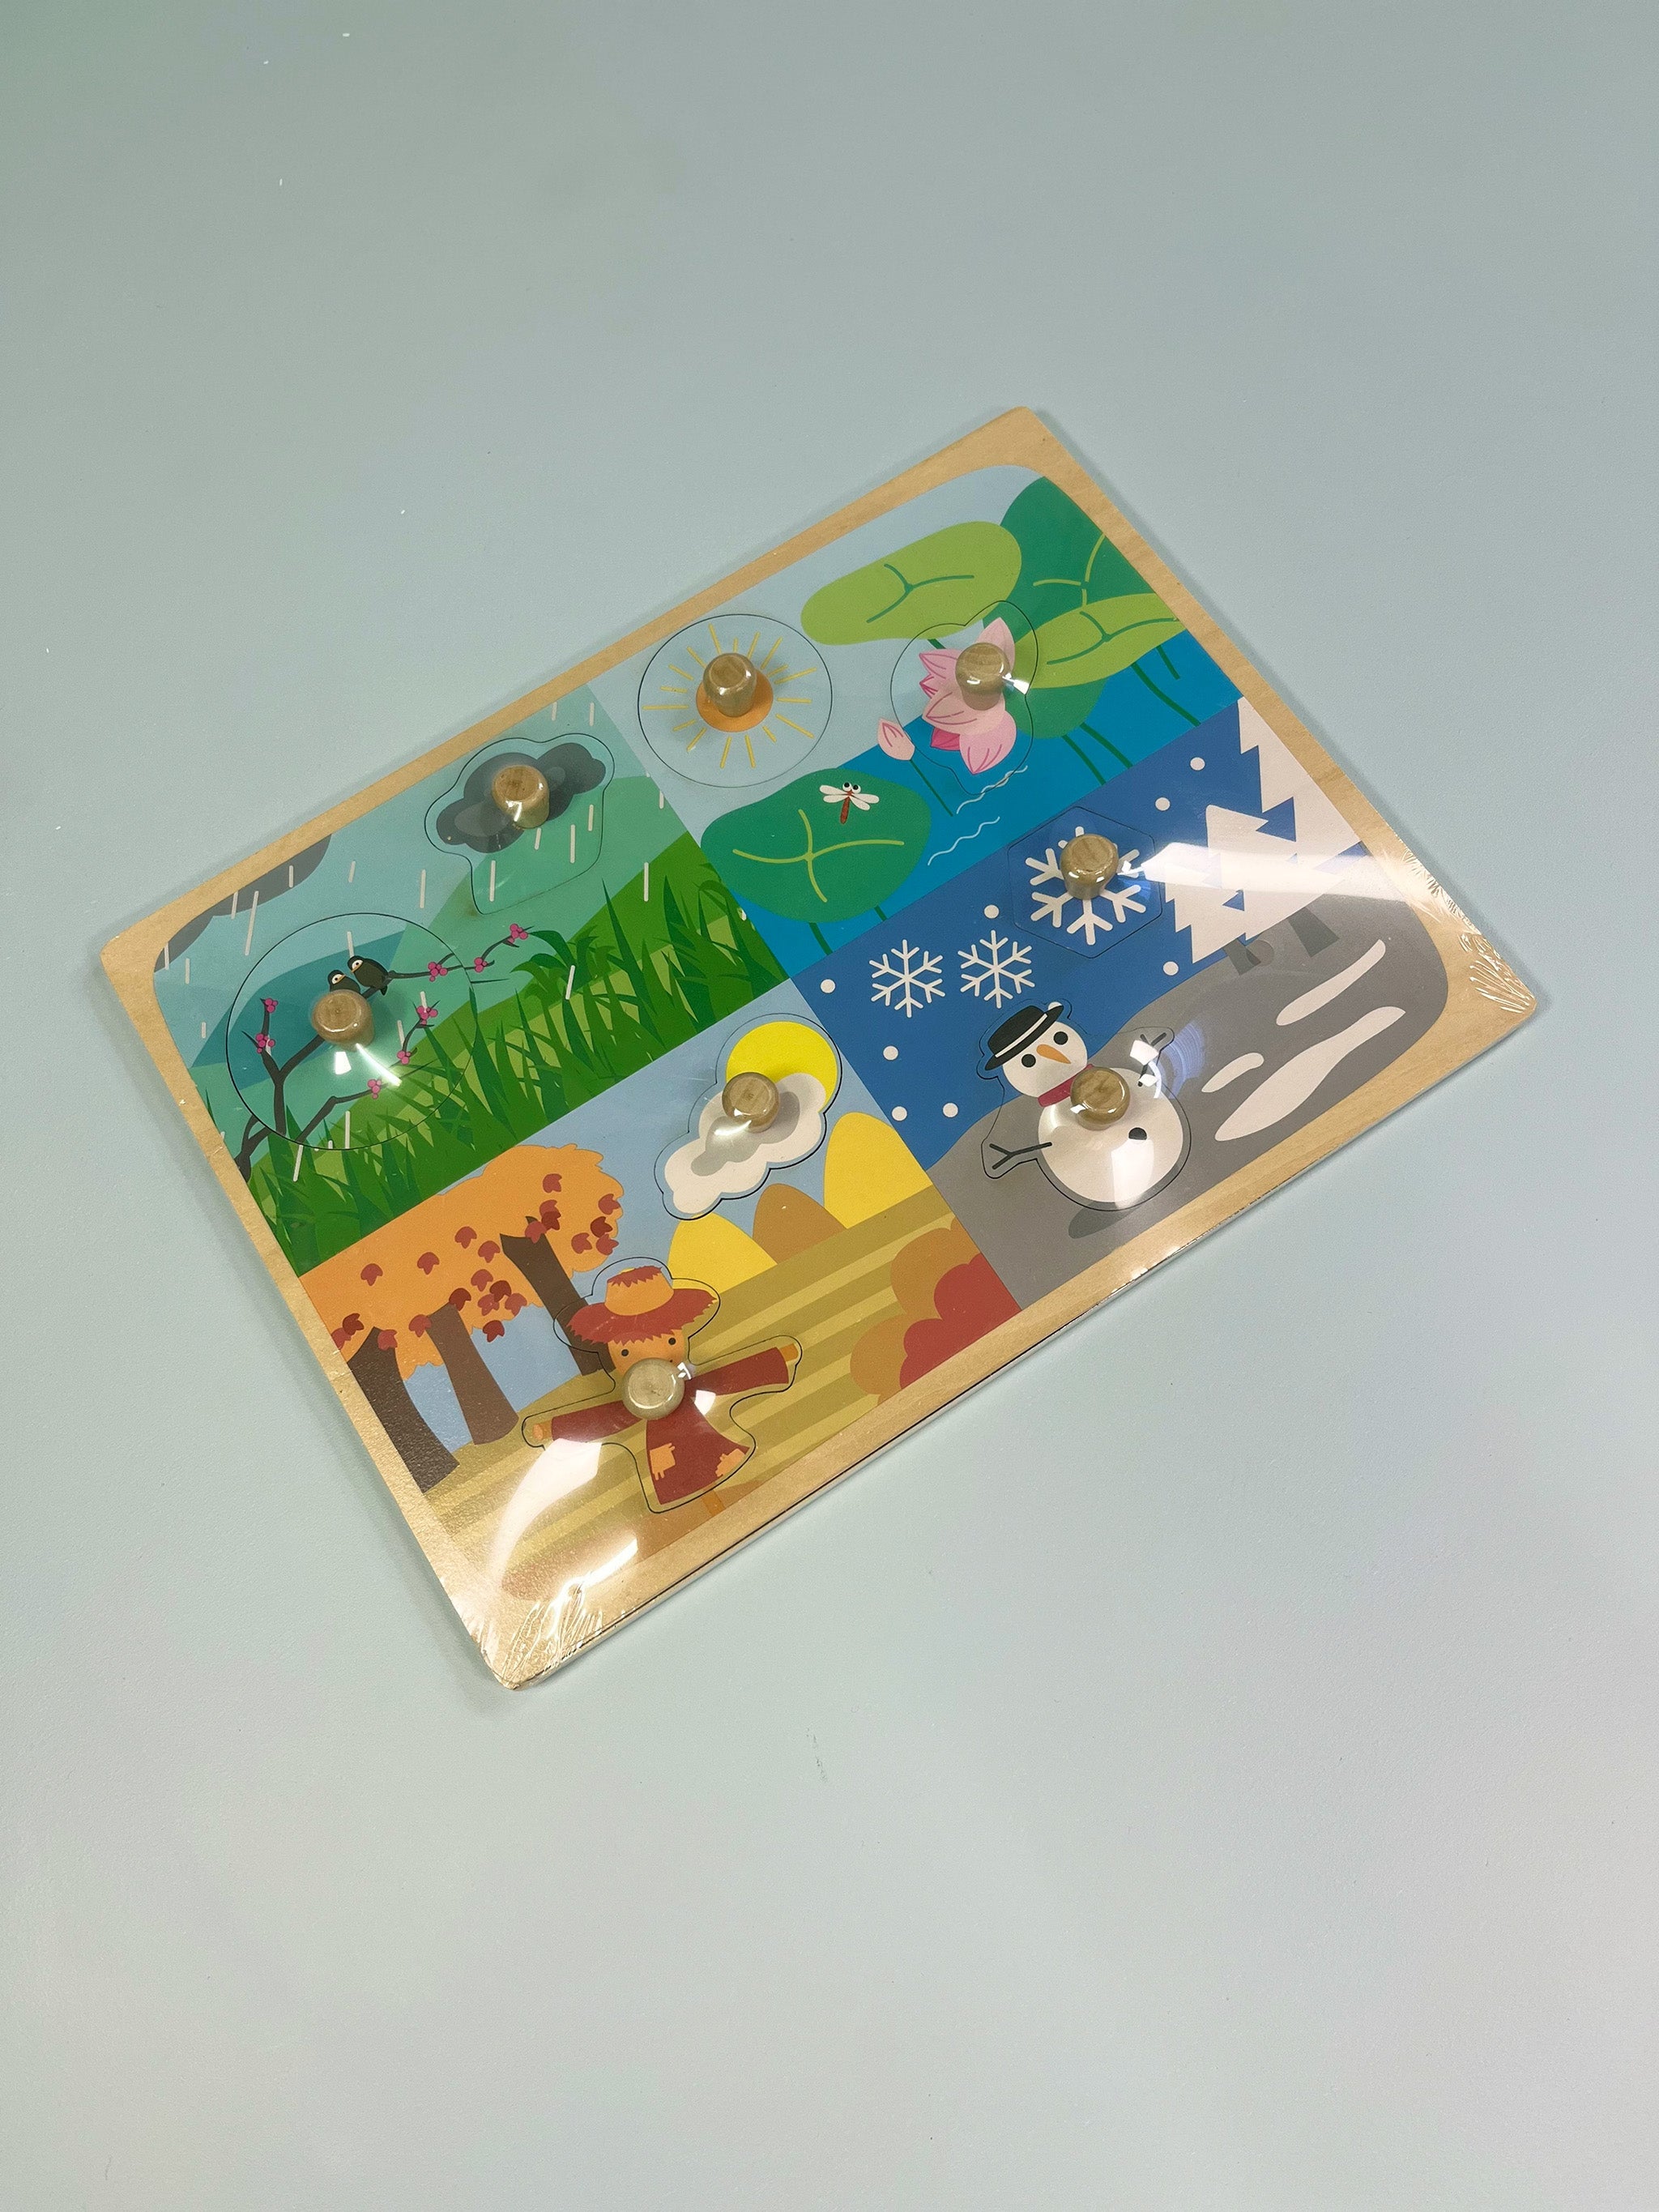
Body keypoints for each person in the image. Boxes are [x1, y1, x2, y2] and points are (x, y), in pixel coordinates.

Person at [522, 1263, 799, 1511]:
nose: (650, 1360)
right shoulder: (637, 1402)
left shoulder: (686, 1376)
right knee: (691, 1490)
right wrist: (553, 1428)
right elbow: (600, 1419)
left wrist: (778, 1357)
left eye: (669, 1341)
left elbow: (729, 1376)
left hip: (698, 1440)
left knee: (720, 1476)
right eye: (626, 1352)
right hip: (664, 1450)